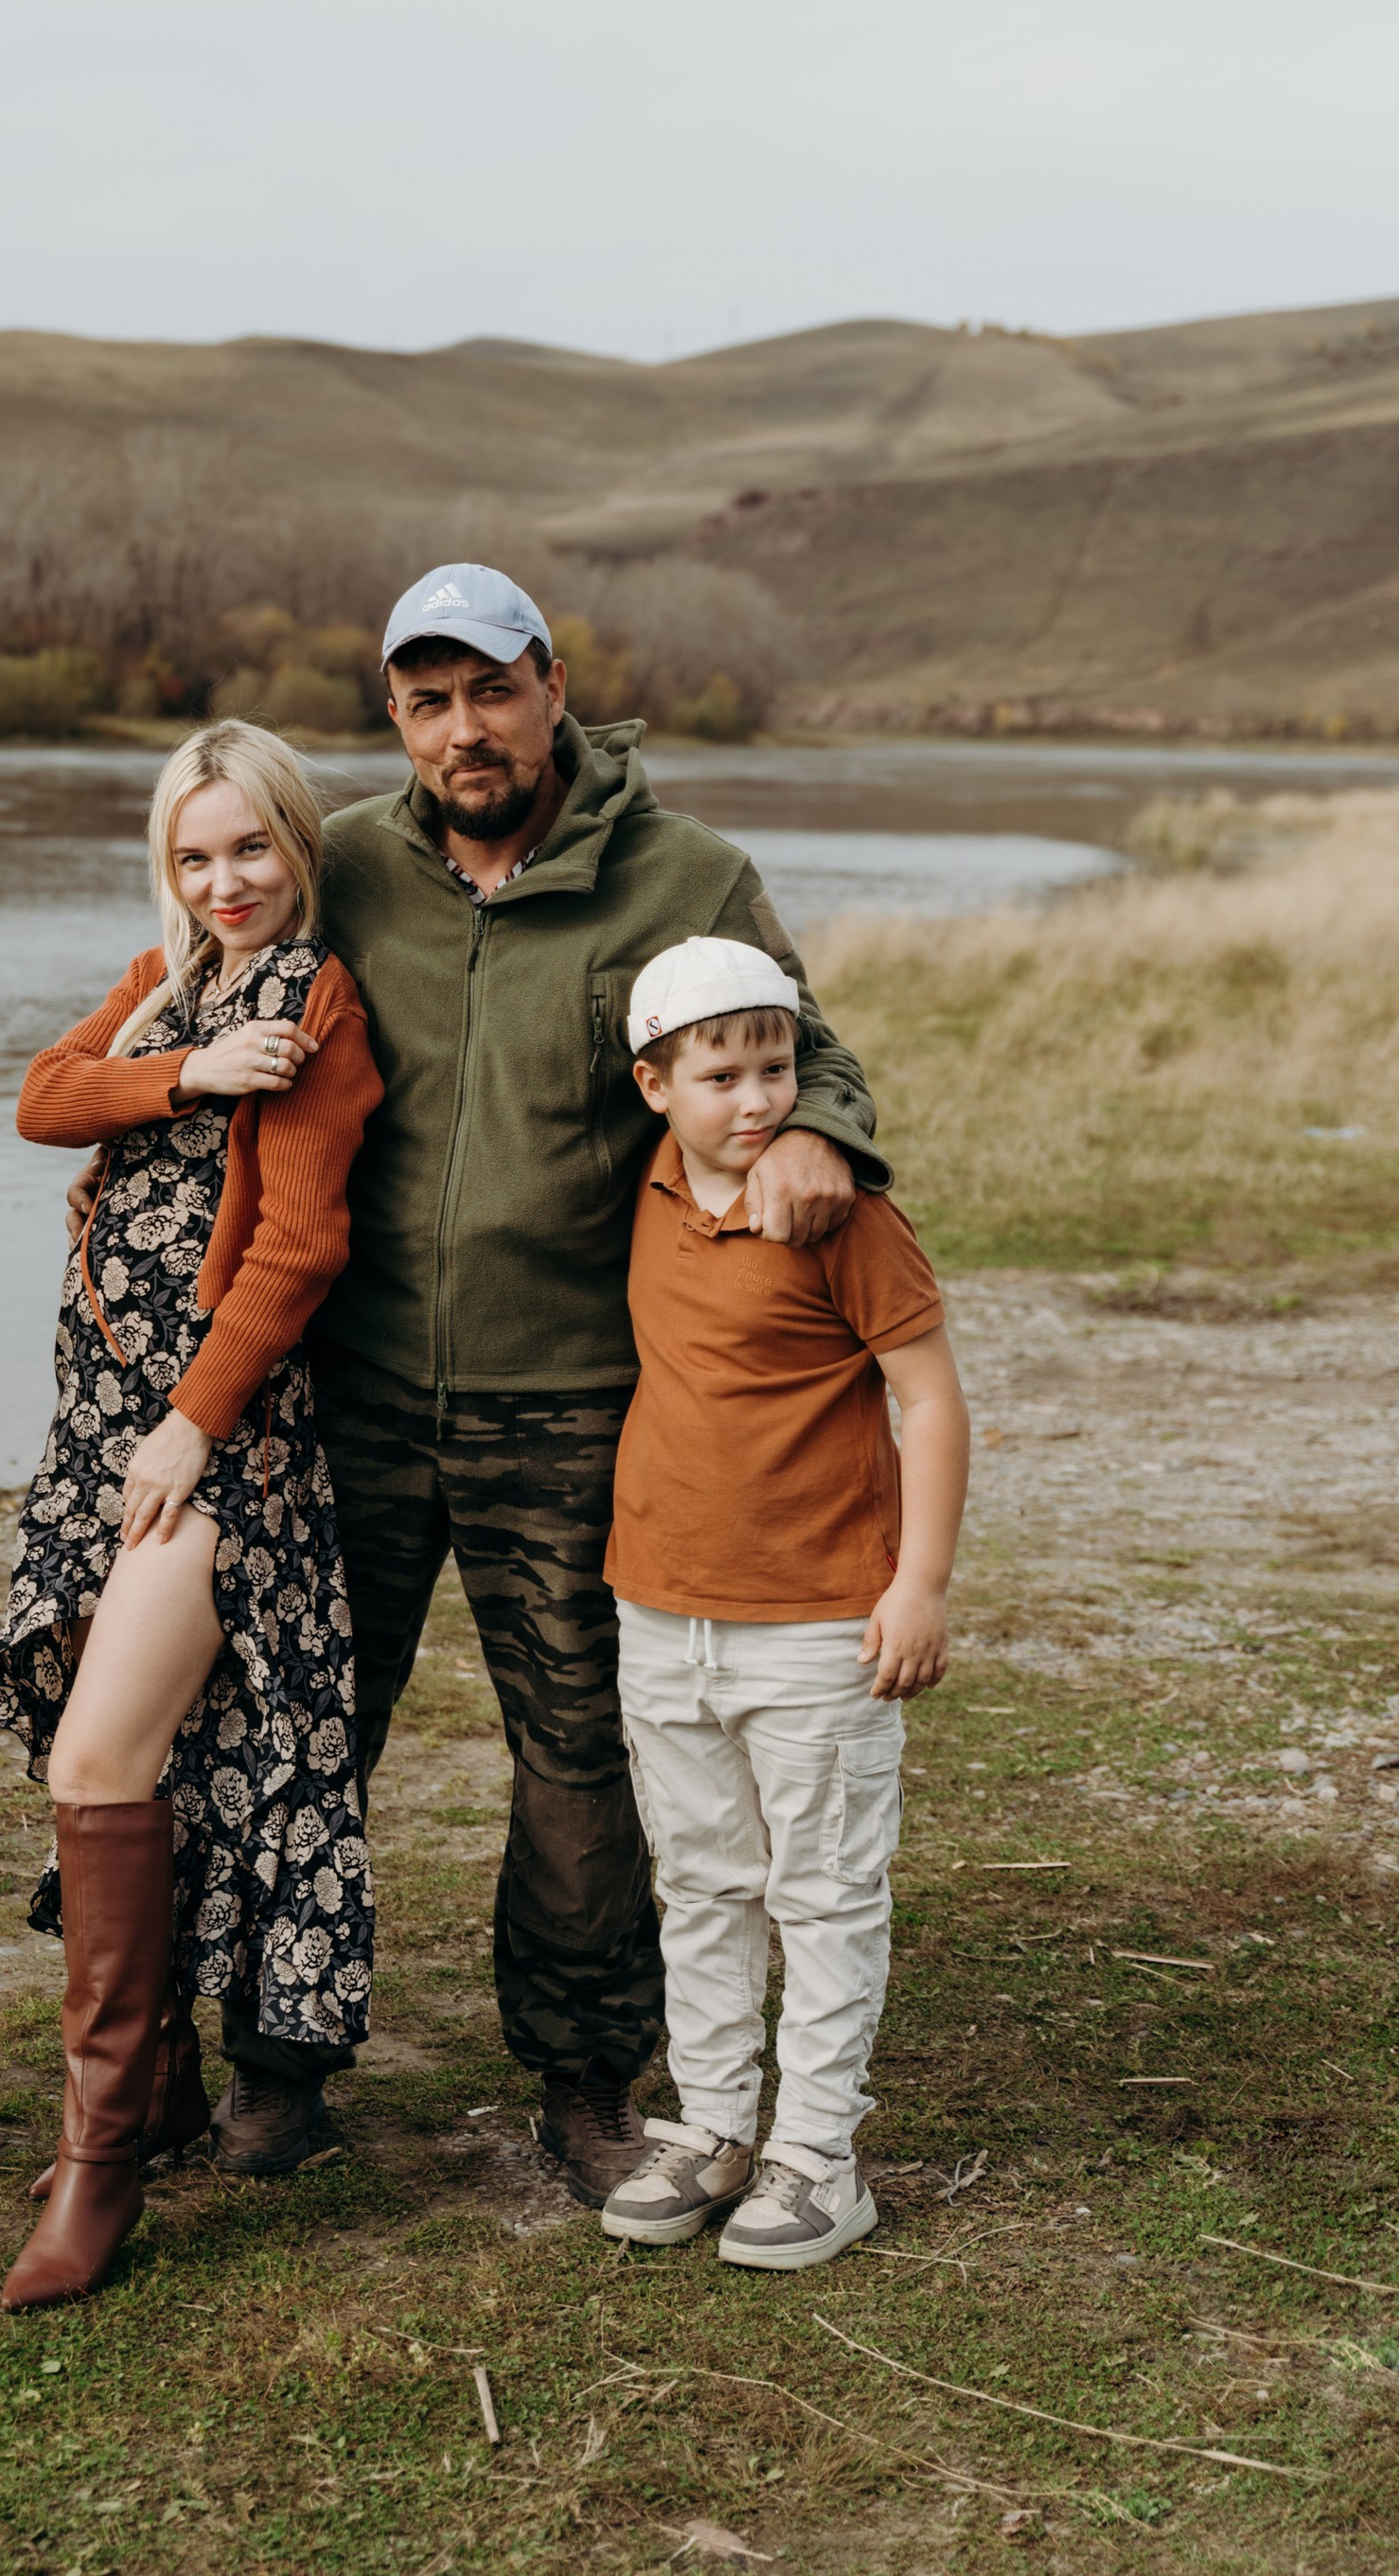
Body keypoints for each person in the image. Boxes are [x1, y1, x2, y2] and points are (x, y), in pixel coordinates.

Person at [205, 560, 894, 2202]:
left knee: (580, 1753)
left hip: (580, 1399)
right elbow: (204, 983)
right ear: (395, 715)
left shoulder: (687, 874)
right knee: (304, 1728)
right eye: (429, 700)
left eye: (491, 690)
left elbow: (830, 1053)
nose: (465, 728)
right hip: (352, 1391)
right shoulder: (346, 863)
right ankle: (272, 2064)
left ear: (554, 684)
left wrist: (810, 1131)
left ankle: (589, 2081)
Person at [0, 721, 383, 2309]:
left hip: (222, 1451)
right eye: (198, 856)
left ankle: (103, 2160)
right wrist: (182, 1070)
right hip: (99, 1434)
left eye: (253, 849)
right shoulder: (169, 983)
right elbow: (43, 1099)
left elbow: (294, 1252)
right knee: (149, 1762)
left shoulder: (318, 1007)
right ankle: (155, 2095)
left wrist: (193, 1433)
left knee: (97, 1758)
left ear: (300, 844)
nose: (228, 883)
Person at [597, 936, 969, 2269]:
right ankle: (711, 2126)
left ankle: (820, 2155)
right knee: (700, 1882)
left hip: (820, 1616)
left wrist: (918, 1584)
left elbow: (928, 1400)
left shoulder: (842, 1214)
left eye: (776, 1068)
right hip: (661, 1607)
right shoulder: (637, 1188)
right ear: (656, 1086)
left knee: (819, 1889)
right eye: (721, 1075)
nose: (755, 1101)